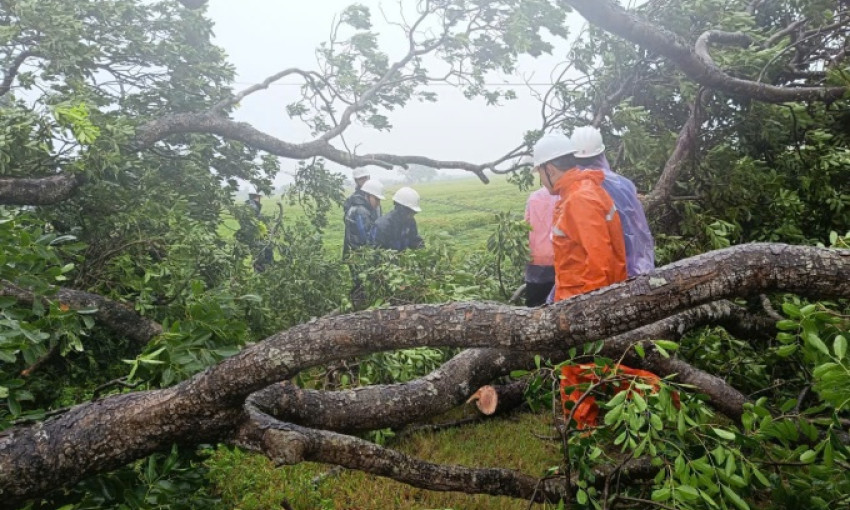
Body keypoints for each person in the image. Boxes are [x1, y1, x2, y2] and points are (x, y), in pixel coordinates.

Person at [533, 133, 627, 302]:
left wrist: (589, 312)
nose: (541, 180)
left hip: (581, 302)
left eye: (540, 173)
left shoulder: (579, 199)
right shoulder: (578, 193)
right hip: (576, 299)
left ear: (549, 170)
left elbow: (599, 263)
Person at [571, 126, 655, 277]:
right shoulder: (624, 185)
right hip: (631, 268)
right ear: (602, 153)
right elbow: (639, 230)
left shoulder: (569, 190)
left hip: (591, 277)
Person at [343, 178, 384, 308]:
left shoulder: (371, 208)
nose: (378, 203)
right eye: (376, 199)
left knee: (366, 283)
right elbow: (366, 238)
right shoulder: (360, 211)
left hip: (364, 254)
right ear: (367, 195)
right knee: (360, 284)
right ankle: (357, 310)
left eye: (379, 200)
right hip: (356, 254)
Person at [524, 162, 559, 306]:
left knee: (535, 307)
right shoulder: (563, 196)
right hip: (558, 257)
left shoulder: (533, 198)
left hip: (536, 260)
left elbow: (525, 226)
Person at [374, 186, 424, 251]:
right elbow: (377, 251)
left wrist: (423, 251)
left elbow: (414, 240)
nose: (411, 216)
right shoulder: (382, 225)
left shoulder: (410, 222)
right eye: (408, 212)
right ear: (399, 208)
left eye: (413, 212)